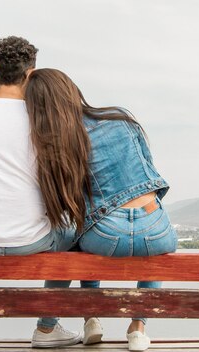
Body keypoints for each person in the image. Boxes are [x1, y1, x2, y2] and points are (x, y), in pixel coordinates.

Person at [0, 36, 92, 348]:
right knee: (75, 233)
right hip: (35, 240)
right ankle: (47, 328)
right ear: (31, 74)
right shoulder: (45, 121)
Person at [24, 68, 178, 352]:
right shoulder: (120, 116)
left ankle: (76, 320)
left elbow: (68, 208)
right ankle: (138, 329)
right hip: (155, 230)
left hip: (106, 237)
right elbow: (149, 176)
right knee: (155, 247)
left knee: (74, 237)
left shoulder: (59, 144)